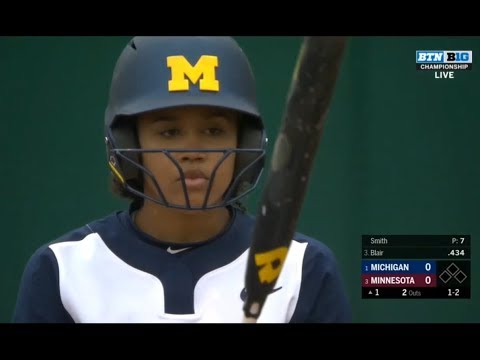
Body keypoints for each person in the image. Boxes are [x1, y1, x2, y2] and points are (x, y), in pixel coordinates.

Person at [12, 36, 352, 323]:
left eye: (213, 130)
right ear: (128, 144)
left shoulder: (301, 269)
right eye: (169, 131)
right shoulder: (64, 272)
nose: (193, 150)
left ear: (244, 145)